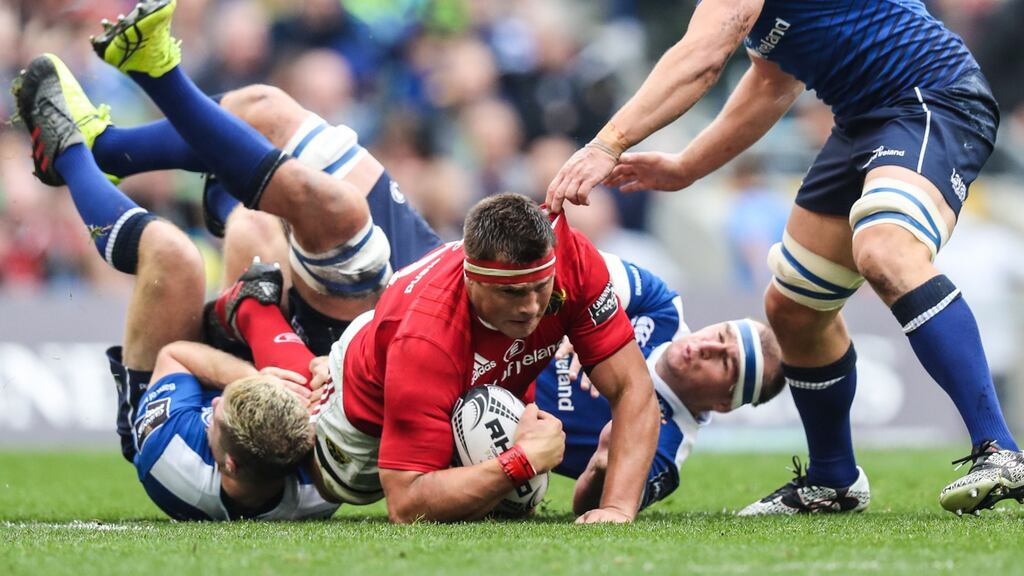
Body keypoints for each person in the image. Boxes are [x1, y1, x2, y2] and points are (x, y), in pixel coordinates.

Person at [546, 0, 1023, 515]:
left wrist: (607, 143)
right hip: (864, 120)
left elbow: (703, 55)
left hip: (930, 96)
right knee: (793, 310)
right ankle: (834, 478)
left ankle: (1001, 450)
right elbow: (773, 83)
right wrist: (687, 167)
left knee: (884, 249)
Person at [11, 53, 336, 521]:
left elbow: (177, 357)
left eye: (221, 409)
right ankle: (225, 189)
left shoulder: (176, 454)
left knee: (173, 256)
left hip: (166, 387)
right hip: (269, 410)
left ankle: (68, 155)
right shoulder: (325, 478)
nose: (220, 399)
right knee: (258, 230)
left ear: (226, 463)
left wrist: (247, 380)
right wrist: (334, 366)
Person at [82, 0, 441, 360]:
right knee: (264, 108)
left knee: (258, 223)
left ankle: (157, 86)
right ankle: (112, 150)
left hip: (386, 328)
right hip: (434, 269)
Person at [308, 192, 660, 524]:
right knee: (310, 486)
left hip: (446, 371)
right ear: (471, 280)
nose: (531, 307)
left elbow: (633, 387)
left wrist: (616, 507)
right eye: (512, 293)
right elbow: (405, 503)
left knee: (511, 495)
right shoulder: (424, 339)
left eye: (541, 287)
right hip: (362, 417)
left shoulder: (575, 261)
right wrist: (522, 461)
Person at [533, 252, 788, 513]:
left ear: (724, 403)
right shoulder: (661, 306)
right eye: (721, 334)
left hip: (505, 427)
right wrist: (580, 315)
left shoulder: (668, 450)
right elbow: (574, 262)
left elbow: (587, 505)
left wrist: (602, 463)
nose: (706, 346)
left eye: (725, 361)